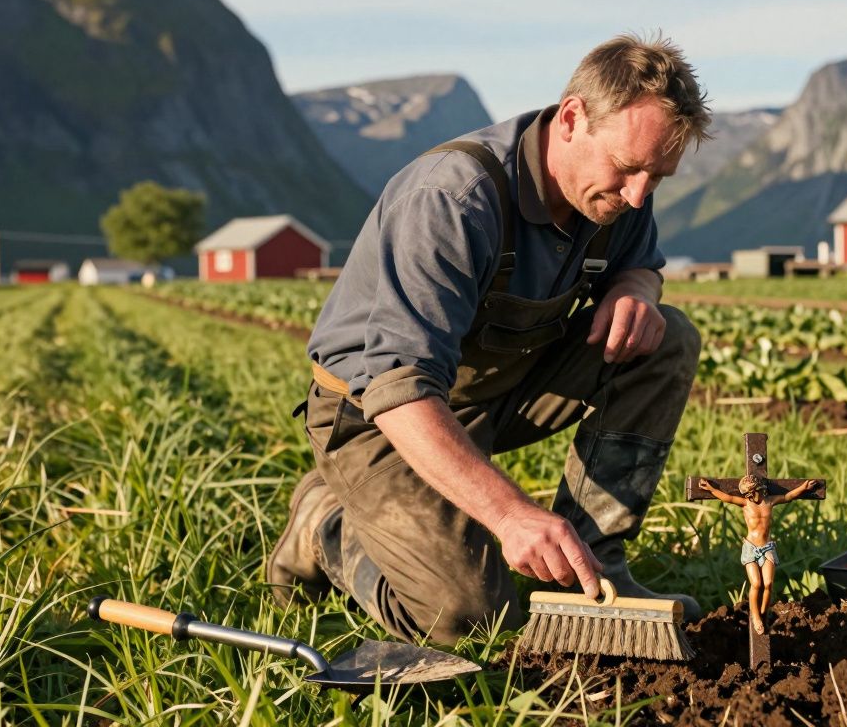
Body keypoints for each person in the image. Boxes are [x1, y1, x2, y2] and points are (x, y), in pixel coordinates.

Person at [266, 33, 713, 645]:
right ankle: (328, 526)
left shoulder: (618, 194)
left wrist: (636, 291)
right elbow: (398, 388)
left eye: (657, 176)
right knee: (470, 619)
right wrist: (510, 514)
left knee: (665, 339)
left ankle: (592, 568)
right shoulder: (452, 198)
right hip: (379, 419)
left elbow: (641, 263)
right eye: (629, 169)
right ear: (573, 118)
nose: (639, 194)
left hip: (492, 393)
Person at [698, 475, 821, 634]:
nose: (762, 492)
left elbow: (787, 496)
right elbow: (727, 497)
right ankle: (755, 616)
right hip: (750, 548)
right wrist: (711, 489)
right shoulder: (745, 504)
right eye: (758, 491)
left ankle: (764, 612)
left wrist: (803, 488)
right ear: (750, 493)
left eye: (762, 489)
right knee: (756, 583)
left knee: (768, 583)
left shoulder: (769, 502)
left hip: (767, 547)